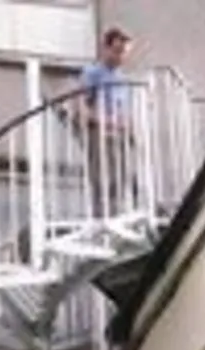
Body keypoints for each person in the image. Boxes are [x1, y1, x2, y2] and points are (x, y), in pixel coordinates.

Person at [79, 27, 133, 218]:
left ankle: (116, 214)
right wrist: (104, 121)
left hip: (119, 134)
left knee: (121, 178)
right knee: (101, 177)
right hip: (100, 132)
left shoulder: (122, 78)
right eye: (117, 51)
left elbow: (123, 109)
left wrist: (127, 126)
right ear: (106, 48)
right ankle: (100, 216)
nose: (120, 57)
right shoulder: (92, 72)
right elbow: (83, 107)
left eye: (124, 52)